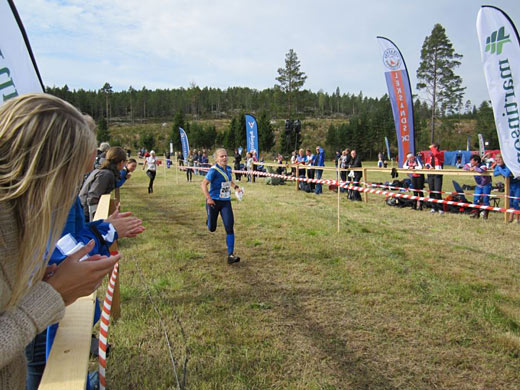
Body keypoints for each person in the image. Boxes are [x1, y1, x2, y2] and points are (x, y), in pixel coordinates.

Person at [0, 93, 121, 390]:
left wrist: (36, 281)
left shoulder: (18, 219)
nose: (71, 193)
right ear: (42, 168)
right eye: (71, 178)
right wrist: (51, 295)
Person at [201, 149, 242, 264]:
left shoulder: (228, 169)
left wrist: (236, 187)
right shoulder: (213, 171)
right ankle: (209, 220)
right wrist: (208, 198)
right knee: (212, 228)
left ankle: (231, 255)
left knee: (229, 227)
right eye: (221, 156)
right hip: (213, 202)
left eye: (225, 156)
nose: (224, 158)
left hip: (225, 202)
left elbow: (229, 181)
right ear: (216, 159)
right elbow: (203, 184)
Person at [80, 147, 127, 221]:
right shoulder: (106, 174)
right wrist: (96, 220)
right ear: (121, 162)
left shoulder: (105, 172)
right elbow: (93, 197)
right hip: (86, 214)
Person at [494, 153, 520, 223]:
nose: (498, 161)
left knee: (515, 201)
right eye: (497, 159)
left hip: (517, 184)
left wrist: (499, 169)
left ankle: (518, 218)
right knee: (510, 202)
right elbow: (495, 174)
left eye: (500, 159)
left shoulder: (508, 165)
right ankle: (511, 217)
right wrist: (499, 169)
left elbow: (506, 174)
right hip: (509, 185)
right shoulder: (498, 166)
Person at [425, 143, 444, 214]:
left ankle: (440, 208)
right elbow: (426, 164)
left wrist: (433, 148)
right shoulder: (430, 155)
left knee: (437, 190)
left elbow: (436, 154)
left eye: (433, 147)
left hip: (437, 174)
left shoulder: (440, 153)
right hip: (430, 174)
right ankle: (433, 207)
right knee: (431, 190)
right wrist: (429, 167)